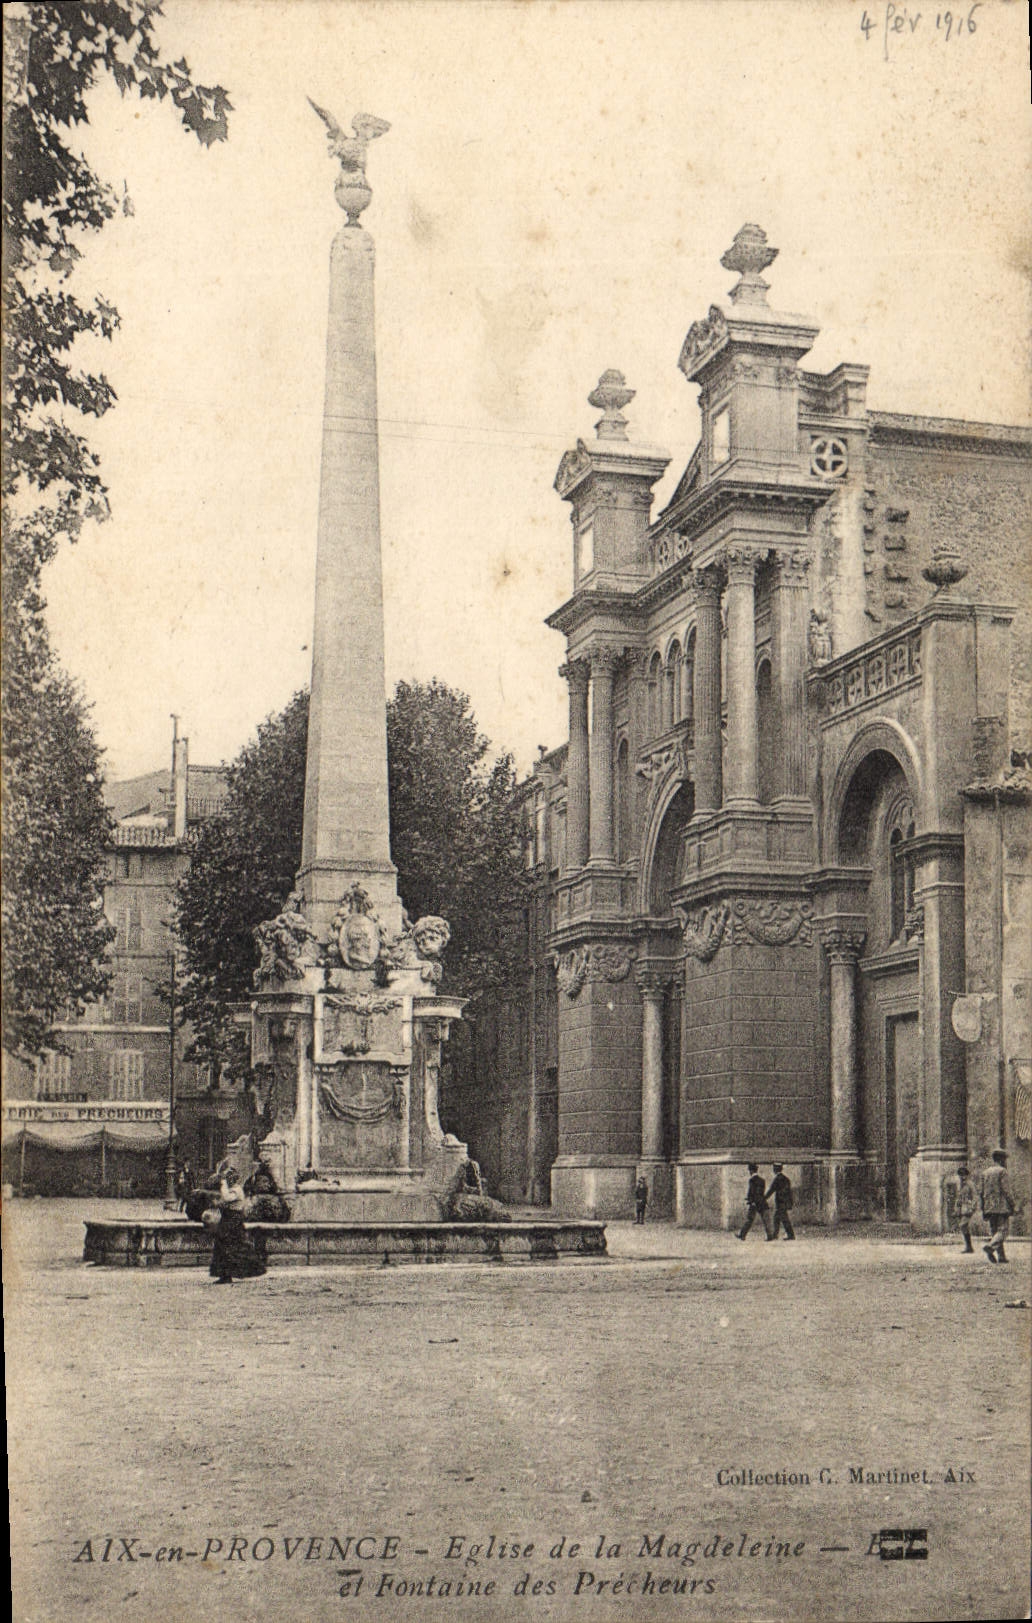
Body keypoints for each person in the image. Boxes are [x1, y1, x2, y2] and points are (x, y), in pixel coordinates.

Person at [208, 1162, 267, 1284]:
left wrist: (223, 1184)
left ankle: (229, 1274)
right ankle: (225, 1274)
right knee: (224, 1246)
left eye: (228, 1178)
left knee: (231, 1246)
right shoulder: (233, 1190)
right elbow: (225, 1202)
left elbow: (227, 1198)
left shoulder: (236, 1190)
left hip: (233, 1221)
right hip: (228, 1219)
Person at [980, 1150, 1017, 1264]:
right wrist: (1013, 1205)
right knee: (1003, 1231)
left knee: (995, 1231)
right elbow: (1006, 1191)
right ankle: (990, 1246)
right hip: (1001, 1206)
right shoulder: (1002, 1171)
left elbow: (981, 1192)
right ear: (1001, 1159)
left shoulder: (985, 1173)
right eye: (1005, 1159)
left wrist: (983, 1208)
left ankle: (1001, 1257)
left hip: (989, 1207)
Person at [737, 1163, 774, 1241]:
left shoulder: (751, 1180)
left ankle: (742, 1235)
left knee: (749, 1220)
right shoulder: (762, 1180)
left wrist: (750, 1200)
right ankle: (770, 1236)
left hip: (754, 1203)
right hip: (762, 1202)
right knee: (766, 1220)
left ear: (751, 1171)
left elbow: (752, 1192)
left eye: (749, 1171)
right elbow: (761, 1192)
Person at [766, 1164, 795, 1240]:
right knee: (777, 1218)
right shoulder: (786, 1179)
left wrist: (764, 1198)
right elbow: (789, 1192)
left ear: (775, 1169)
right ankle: (775, 1235)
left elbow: (771, 1190)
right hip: (785, 1203)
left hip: (780, 1203)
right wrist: (790, 1203)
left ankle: (790, 1235)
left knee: (784, 1219)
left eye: (774, 1168)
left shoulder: (777, 1179)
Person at [955, 1165, 978, 1254]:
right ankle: (969, 1247)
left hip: (968, 1207)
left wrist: (972, 1207)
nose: (962, 1177)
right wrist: (956, 1207)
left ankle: (969, 1247)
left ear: (967, 1175)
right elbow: (959, 1197)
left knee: (962, 1225)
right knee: (964, 1227)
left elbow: (975, 1196)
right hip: (961, 1208)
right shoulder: (960, 1185)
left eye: (963, 1175)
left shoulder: (970, 1184)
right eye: (960, 1175)